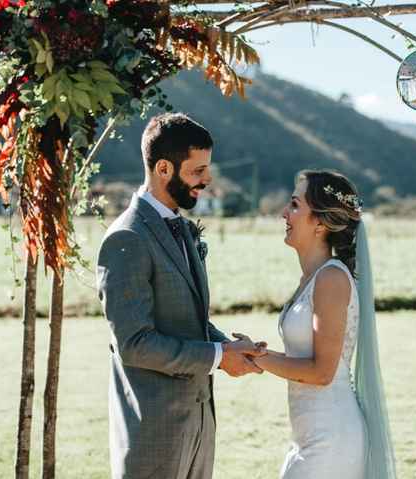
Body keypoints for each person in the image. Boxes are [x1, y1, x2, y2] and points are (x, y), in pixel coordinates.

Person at [96, 112, 265, 479]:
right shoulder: (127, 237)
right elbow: (135, 343)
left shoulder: (182, 228)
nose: (206, 181)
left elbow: (187, 317)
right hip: (153, 430)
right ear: (162, 168)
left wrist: (230, 347)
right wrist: (220, 357)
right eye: (197, 171)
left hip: (199, 422)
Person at [246, 169, 397, 479]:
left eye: (294, 205)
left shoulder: (331, 279)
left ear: (320, 222)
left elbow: (322, 372)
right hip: (309, 436)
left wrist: (259, 357)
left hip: (331, 439)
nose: (284, 214)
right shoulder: (311, 279)